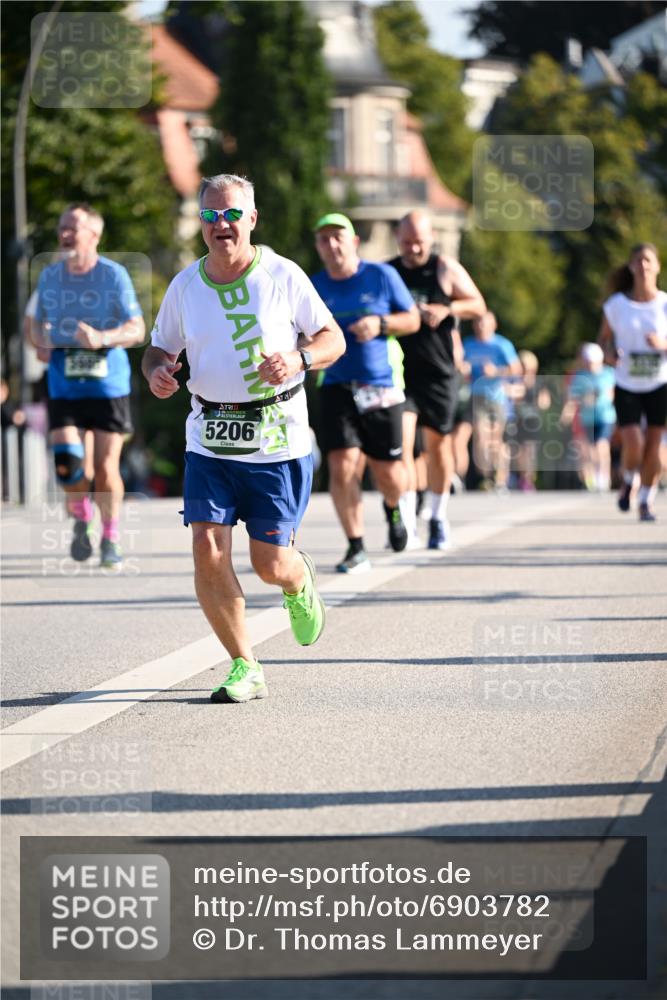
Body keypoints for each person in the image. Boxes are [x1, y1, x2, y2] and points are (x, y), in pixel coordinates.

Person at [142, 174, 344, 704]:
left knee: (267, 564)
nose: (220, 225)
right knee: (207, 546)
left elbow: (332, 339)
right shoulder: (185, 285)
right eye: (210, 216)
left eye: (231, 215)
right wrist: (157, 371)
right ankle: (244, 665)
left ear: (251, 220)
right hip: (209, 435)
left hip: (276, 438)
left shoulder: (282, 275)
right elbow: (158, 348)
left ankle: (297, 581)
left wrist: (299, 358)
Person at [26, 203, 145, 568]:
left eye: (72, 228)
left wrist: (102, 338)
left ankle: (109, 538)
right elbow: (33, 321)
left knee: (106, 468)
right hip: (64, 384)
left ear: (93, 235)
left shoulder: (114, 276)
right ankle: (82, 517)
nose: (64, 234)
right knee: (69, 464)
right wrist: (39, 342)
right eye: (62, 227)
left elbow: (137, 329)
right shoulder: (49, 277)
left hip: (108, 385)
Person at [310, 213, 420, 573]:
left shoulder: (381, 276)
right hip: (335, 384)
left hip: (381, 384)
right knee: (340, 467)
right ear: (318, 247)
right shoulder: (313, 287)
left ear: (354, 241)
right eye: (324, 239)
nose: (332, 245)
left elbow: (413, 319)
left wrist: (381, 324)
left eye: (338, 237)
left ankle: (394, 508)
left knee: (388, 473)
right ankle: (356, 546)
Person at [388, 209, 486, 548]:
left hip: (439, 373)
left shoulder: (444, 268)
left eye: (419, 242)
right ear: (397, 240)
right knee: (401, 445)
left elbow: (478, 304)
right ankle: (406, 524)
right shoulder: (389, 272)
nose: (413, 249)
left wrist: (448, 309)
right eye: (406, 242)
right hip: (400, 373)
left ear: (431, 239)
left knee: (438, 448)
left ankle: (438, 515)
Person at [599, 243, 667, 521]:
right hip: (627, 382)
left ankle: (645, 501)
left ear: (657, 266)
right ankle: (628, 479)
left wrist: (662, 344)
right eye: (638, 260)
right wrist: (610, 354)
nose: (643, 266)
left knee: (654, 447)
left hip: (659, 383)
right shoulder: (617, 304)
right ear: (630, 266)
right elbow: (602, 340)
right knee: (633, 441)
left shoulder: (664, 303)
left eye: (648, 260)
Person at [462, 312, 522, 491]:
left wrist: (496, 372)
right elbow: (462, 366)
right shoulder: (468, 344)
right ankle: (485, 476)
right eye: (477, 322)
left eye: (484, 322)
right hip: (476, 395)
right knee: (480, 436)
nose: (480, 325)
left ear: (493, 325)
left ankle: (501, 478)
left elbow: (516, 369)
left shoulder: (501, 345)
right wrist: (463, 369)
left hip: (496, 396)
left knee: (496, 439)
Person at [560, 343, 616, 492]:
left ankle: (604, 477)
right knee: (589, 450)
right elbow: (573, 398)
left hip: (605, 417)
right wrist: (567, 412)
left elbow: (614, 393)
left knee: (602, 446)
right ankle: (590, 479)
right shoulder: (579, 377)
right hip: (587, 419)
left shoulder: (609, 373)